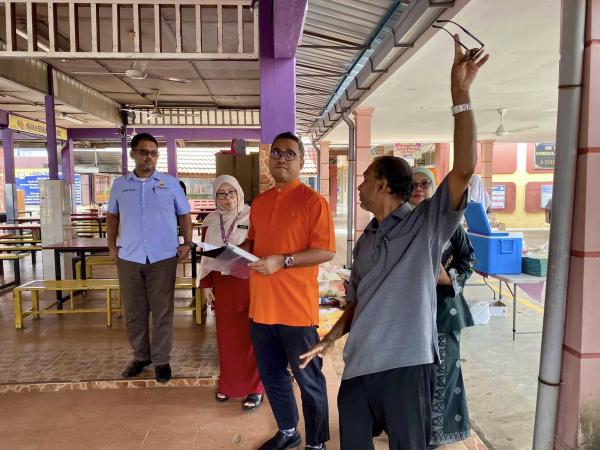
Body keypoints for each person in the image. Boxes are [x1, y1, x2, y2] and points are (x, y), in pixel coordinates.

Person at [300, 37, 489, 449]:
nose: (359, 187)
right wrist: (330, 339)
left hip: (406, 366)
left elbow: (464, 169)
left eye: (365, 179)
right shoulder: (366, 240)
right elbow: (358, 301)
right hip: (359, 366)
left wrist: (460, 94)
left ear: (384, 184)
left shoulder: (426, 227)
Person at [242, 132, 336, 450]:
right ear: (268, 159)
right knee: (272, 375)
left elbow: (326, 251)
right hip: (261, 309)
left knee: (309, 380)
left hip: (296, 311)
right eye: (276, 153)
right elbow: (254, 243)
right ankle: (287, 431)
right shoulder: (260, 202)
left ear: (301, 162)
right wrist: (232, 253)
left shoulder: (313, 202)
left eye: (289, 154)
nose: (281, 158)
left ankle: (316, 443)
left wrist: (283, 260)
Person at [107, 132, 193, 383]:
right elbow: (112, 216)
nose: (149, 157)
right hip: (129, 256)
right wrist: (111, 246)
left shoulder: (170, 183)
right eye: (144, 152)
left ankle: (162, 360)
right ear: (133, 154)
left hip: (162, 257)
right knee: (134, 311)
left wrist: (187, 243)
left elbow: (184, 215)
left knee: (162, 311)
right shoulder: (120, 185)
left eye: (154, 153)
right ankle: (140, 356)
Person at [410, 167, 476, 446]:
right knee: (411, 375)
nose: (419, 188)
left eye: (425, 183)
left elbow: (468, 259)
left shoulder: (450, 224)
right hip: (409, 314)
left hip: (443, 314)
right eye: (413, 184)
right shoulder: (399, 223)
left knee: (443, 374)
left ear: (434, 189)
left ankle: (435, 433)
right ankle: (410, 427)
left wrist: (447, 278)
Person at [198, 175, 264, 410]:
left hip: (248, 284)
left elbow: (260, 247)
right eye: (221, 194)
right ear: (215, 197)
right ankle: (229, 385)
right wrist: (206, 285)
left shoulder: (252, 216)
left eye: (231, 192)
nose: (227, 198)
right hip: (222, 286)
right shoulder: (210, 222)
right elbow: (206, 256)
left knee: (251, 339)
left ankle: (255, 389)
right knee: (227, 338)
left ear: (239, 192)